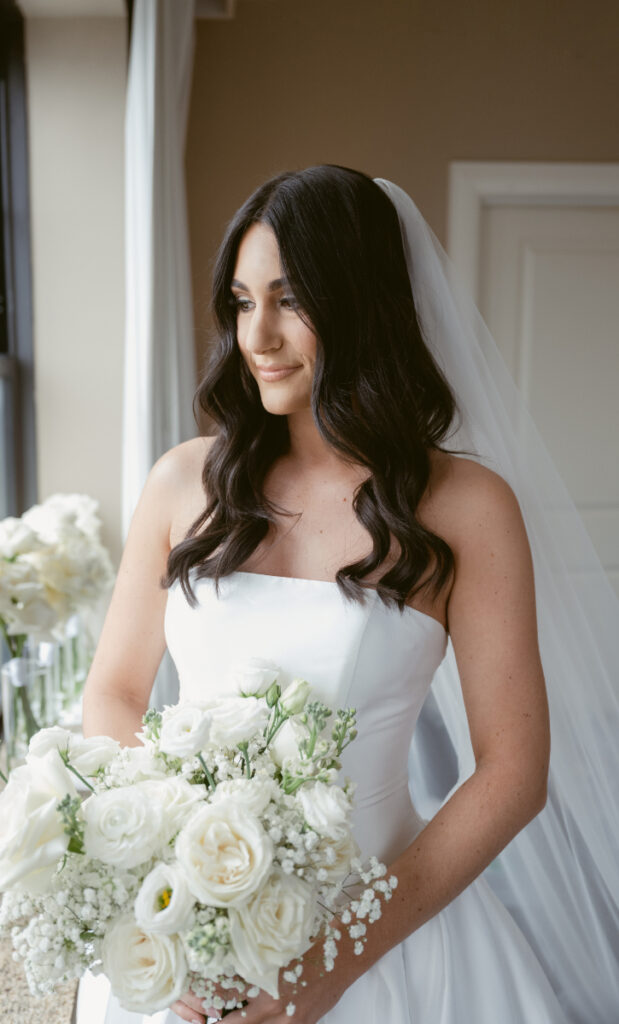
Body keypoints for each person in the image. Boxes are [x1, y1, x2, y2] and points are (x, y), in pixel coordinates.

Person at [78, 165, 618, 1024]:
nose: (256, 336)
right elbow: (112, 692)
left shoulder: (465, 508)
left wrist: (335, 960)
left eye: (289, 300)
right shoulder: (183, 482)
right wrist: (165, 880)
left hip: (384, 939)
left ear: (362, 305)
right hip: (182, 940)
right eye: (240, 300)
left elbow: (513, 772)